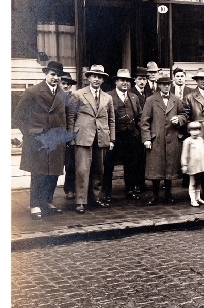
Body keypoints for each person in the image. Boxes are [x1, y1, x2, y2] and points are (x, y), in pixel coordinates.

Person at [13, 61, 75, 220]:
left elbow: (67, 117)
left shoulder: (62, 94)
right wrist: (30, 134)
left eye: (58, 75)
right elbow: (18, 117)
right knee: (38, 172)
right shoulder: (33, 92)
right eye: (52, 74)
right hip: (38, 140)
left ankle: (47, 201)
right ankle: (34, 204)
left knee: (53, 172)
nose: (55, 78)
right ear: (46, 74)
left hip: (56, 140)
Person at [71, 64, 115, 214]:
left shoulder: (107, 98)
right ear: (88, 78)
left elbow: (111, 120)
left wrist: (112, 139)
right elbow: (71, 116)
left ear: (103, 80)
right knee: (82, 170)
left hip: (101, 137)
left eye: (100, 77)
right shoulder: (78, 94)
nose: (97, 79)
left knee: (99, 169)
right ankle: (80, 202)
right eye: (94, 76)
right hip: (82, 136)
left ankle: (95, 198)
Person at [139, 71, 183, 205]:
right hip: (156, 139)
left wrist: (179, 119)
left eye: (168, 85)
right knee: (156, 168)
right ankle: (155, 195)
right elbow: (144, 121)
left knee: (170, 168)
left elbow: (184, 114)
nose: (166, 87)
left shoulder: (176, 100)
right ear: (159, 86)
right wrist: (146, 138)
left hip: (172, 139)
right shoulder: (151, 100)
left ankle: (169, 194)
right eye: (163, 85)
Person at [102, 69, 143, 202]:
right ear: (116, 81)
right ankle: (106, 192)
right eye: (122, 80)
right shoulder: (108, 96)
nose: (125, 83)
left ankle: (129, 190)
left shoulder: (134, 97)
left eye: (127, 80)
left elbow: (140, 116)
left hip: (131, 136)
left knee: (131, 164)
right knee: (109, 165)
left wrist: (138, 132)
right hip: (115, 136)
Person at [130, 66, 150, 195]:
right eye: (140, 79)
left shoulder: (148, 94)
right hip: (136, 130)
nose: (142, 82)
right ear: (135, 80)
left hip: (146, 129)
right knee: (135, 158)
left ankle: (141, 182)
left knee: (144, 158)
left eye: (144, 79)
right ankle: (135, 183)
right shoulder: (132, 93)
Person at [59, 71, 78, 200]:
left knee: (71, 163)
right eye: (63, 83)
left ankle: (70, 189)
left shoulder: (74, 97)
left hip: (70, 134)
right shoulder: (56, 96)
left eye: (68, 84)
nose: (65, 86)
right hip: (58, 135)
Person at [181, 121, 204, 207]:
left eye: (197, 130)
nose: (195, 132)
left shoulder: (200, 140)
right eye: (193, 130)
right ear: (189, 131)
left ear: (200, 131)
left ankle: (198, 198)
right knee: (192, 182)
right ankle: (193, 199)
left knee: (198, 182)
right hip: (192, 165)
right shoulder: (187, 141)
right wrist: (184, 165)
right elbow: (184, 154)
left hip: (200, 164)